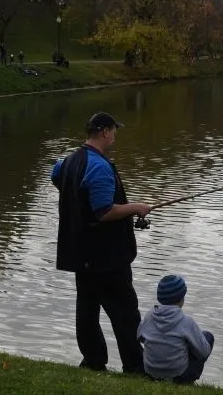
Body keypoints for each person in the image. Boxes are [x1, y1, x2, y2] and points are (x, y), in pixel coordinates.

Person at [51, 112, 151, 374]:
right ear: (105, 131)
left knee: (87, 310)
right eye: (114, 130)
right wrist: (135, 207)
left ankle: (93, 362)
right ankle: (134, 367)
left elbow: (56, 175)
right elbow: (104, 211)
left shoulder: (69, 161)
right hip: (107, 257)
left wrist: (76, 199)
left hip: (80, 253)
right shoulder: (99, 167)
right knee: (125, 313)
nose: (115, 134)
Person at [137, 275, 214, 384]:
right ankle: (183, 380)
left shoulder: (149, 316)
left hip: (151, 372)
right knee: (207, 336)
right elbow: (204, 353)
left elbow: (140, 336)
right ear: (181, 298)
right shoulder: (186, 321)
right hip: (179, 376)